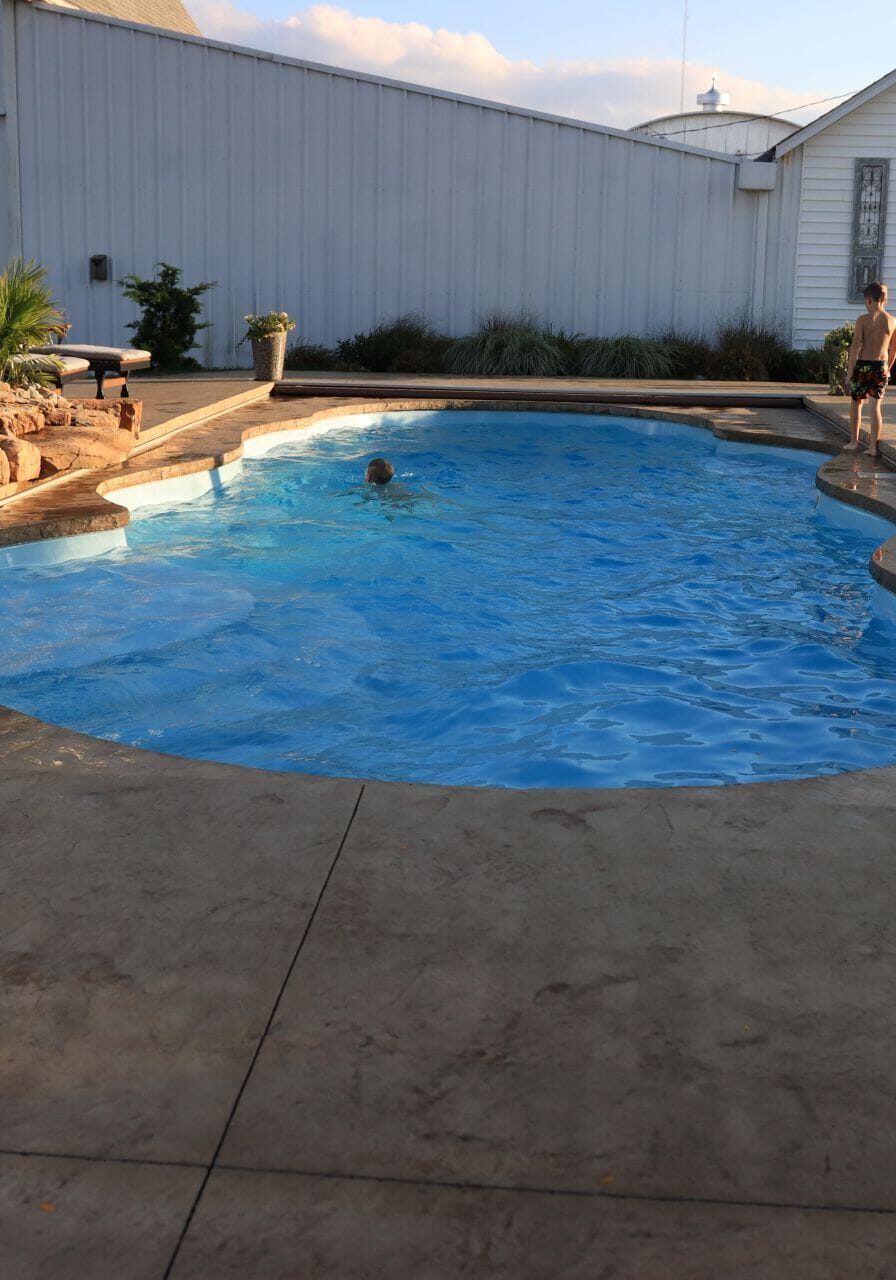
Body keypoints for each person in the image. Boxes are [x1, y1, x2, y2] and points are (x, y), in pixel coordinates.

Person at [844, 281, 896, 458]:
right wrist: (887, 369)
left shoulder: (863, 320)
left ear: (868, 300)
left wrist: (850, 372)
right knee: (875, 408)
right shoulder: (892, 321)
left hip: (863, 366)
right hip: (880, 367)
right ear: (885, 300)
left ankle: (854, 442)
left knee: (856, 404)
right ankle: (873, 447)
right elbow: (893, 351)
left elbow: (855, 348)